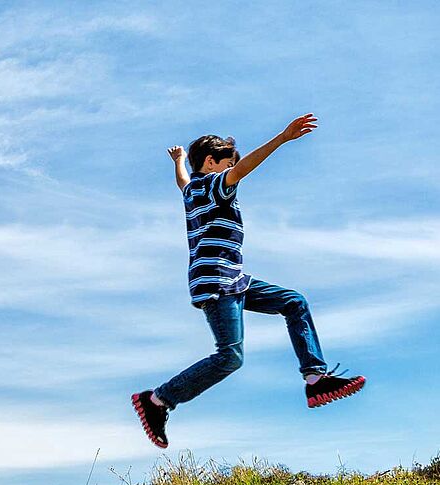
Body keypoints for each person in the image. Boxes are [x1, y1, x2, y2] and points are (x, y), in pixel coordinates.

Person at [132, 114, 365, 448]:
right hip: (218, 283)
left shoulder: (192, 190)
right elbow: (242, 170)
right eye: (227, 164)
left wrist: (179, 160)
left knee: (294, 301)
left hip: (234, 279)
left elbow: (182, 181)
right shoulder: (215, 185)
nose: (232, 172)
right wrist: (282, 138)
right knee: (230, 356)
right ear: (212, 163)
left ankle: (315, 378)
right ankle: (157, 400)